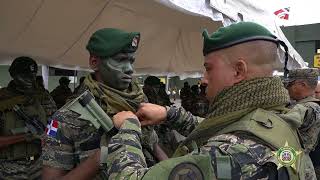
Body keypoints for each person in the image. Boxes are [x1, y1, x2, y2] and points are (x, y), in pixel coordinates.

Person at [104, 22, 313, 179]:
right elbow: (230, 129)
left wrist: (128, 129)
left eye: (208, 68)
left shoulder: (229, 153)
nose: (203, 79)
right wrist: (170, 113)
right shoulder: (280, 121)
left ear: (238, 70)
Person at [42, 28, 163, 180]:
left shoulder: (140, 103)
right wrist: (100, 157)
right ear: (94, 62)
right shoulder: (65, 118)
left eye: (131, 61)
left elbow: (154, 147)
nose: (129, 69)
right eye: (120, 60)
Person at [0, 56, 56, 179]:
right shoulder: (3, 100)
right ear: (13, 74)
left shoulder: (42, 96)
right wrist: (25, 137)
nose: (30, 80)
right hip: (10, 167)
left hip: (39, 164)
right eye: (25, 76)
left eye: (32, 75)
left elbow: (55, 122)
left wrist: (49, 136)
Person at [285, 68, 320, 179]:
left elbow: (282, 123)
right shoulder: (308, 105)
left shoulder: (307, 107)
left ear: (302, 84)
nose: (287, 88)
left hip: (296, 161)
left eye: (290, 85)